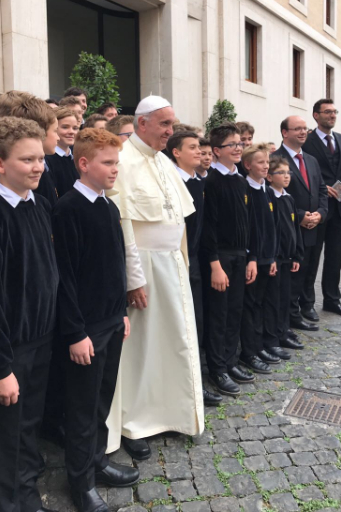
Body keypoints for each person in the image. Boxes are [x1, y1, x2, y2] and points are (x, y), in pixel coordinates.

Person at [0, 116, 59, 512]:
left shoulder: (40, 205)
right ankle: (5, 502)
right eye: (27, 160)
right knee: (5, 435)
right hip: (10, 348)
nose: (39, 167)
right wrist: (1, 367)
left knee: (28, 428)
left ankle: (26, 492)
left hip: (41, 339)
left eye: (40, 158)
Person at [107, 95, 204, 460]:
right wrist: (133, 280)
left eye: (172, 124)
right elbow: (123, 225)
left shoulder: (163, 161)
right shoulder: (123, 160)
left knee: (173, 341)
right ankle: (135, 422)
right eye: (164, 124)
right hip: (144, 270)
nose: (170, 131)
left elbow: (178, 221)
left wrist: (183, 263)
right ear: (143, 123)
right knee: (141, 350)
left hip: (171, 268)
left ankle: (171, 413)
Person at [53, 128, 138, 512]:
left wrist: (121, 313)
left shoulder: (108, 206)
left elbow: (115, 268)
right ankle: (81, 481)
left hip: (110, 323)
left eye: (117, 162)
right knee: (83, 409)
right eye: (108, 163)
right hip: (84, 330)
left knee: (103, 398)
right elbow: (64, 277)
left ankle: (98, 459)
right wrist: (75, 332)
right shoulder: (68, 208)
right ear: (84, 163)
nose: (115, 169)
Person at [167, 130, 223, 406]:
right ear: (176, 152)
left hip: (196, 266)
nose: (201, 153)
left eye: (202, 149)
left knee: (197, 325)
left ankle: (197, 382)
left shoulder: (198, 182)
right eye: (193, 147)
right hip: (178, 265)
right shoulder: (174, 183)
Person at [200, 123, 256, 391]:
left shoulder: (241, 180)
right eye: (232, 145)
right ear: (216, 150)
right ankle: (217, 368)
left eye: (240, 144)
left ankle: (231, 360)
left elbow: (248, 221)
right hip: (219, 257)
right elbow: (208, 227)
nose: (238, 148)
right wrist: (215, 264)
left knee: (235, 311)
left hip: (239, 255)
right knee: (218, 314)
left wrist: (251, 257)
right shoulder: (210, 182)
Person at [273, 116, 328, 335]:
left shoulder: (312, 160)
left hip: (314, 225)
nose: (303, 132)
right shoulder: (275, 159)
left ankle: (305, 306)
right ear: (285, 133)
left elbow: (322, 190)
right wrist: (300, 215)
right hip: (291, 230)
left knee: (310, 270)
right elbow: (274, 197)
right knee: (292, 275)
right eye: (298, 129)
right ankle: (290, 316)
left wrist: (320, 215)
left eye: (305, 129)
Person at [302, 99, 341, 320]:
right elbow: (302, 171)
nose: (332, 115)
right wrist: (322, 187)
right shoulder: (307, 141)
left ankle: (332, 300)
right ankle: (306, 303)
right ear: (316, 115)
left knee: (335, 257)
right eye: (327, 112)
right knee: (312, 258)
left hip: (340, 207)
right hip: (317, 209)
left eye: (334, 112)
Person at [239, 143, 284, 373]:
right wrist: (253, 258)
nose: (266, 166)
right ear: (247, 165)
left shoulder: (265, 189)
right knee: (252, 306)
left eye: (267, 162)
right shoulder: (246, 190)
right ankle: (250, 351)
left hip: (268, 257)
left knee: (264, 303)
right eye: (260, 162)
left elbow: (271, 227)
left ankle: (262, 345)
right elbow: (250, 229)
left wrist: (273, 257)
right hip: (253, 259)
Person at [266, 156, 304, 351]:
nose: (286, 176)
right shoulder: (270, 197)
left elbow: (294, 228)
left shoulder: (288, 197)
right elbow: (272, 230)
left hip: (288, 257)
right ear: (270, 177)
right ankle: (274, 334)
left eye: (288, 172)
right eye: (281, 173)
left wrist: (297, 253)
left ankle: (283, 329)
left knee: (285, 296)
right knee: (274, 299)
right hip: (276, 257)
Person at [45, 107, 80, 198]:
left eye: (75, 128)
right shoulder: (47, 159)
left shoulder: (78, 157)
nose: (71, 132)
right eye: (65, 127)